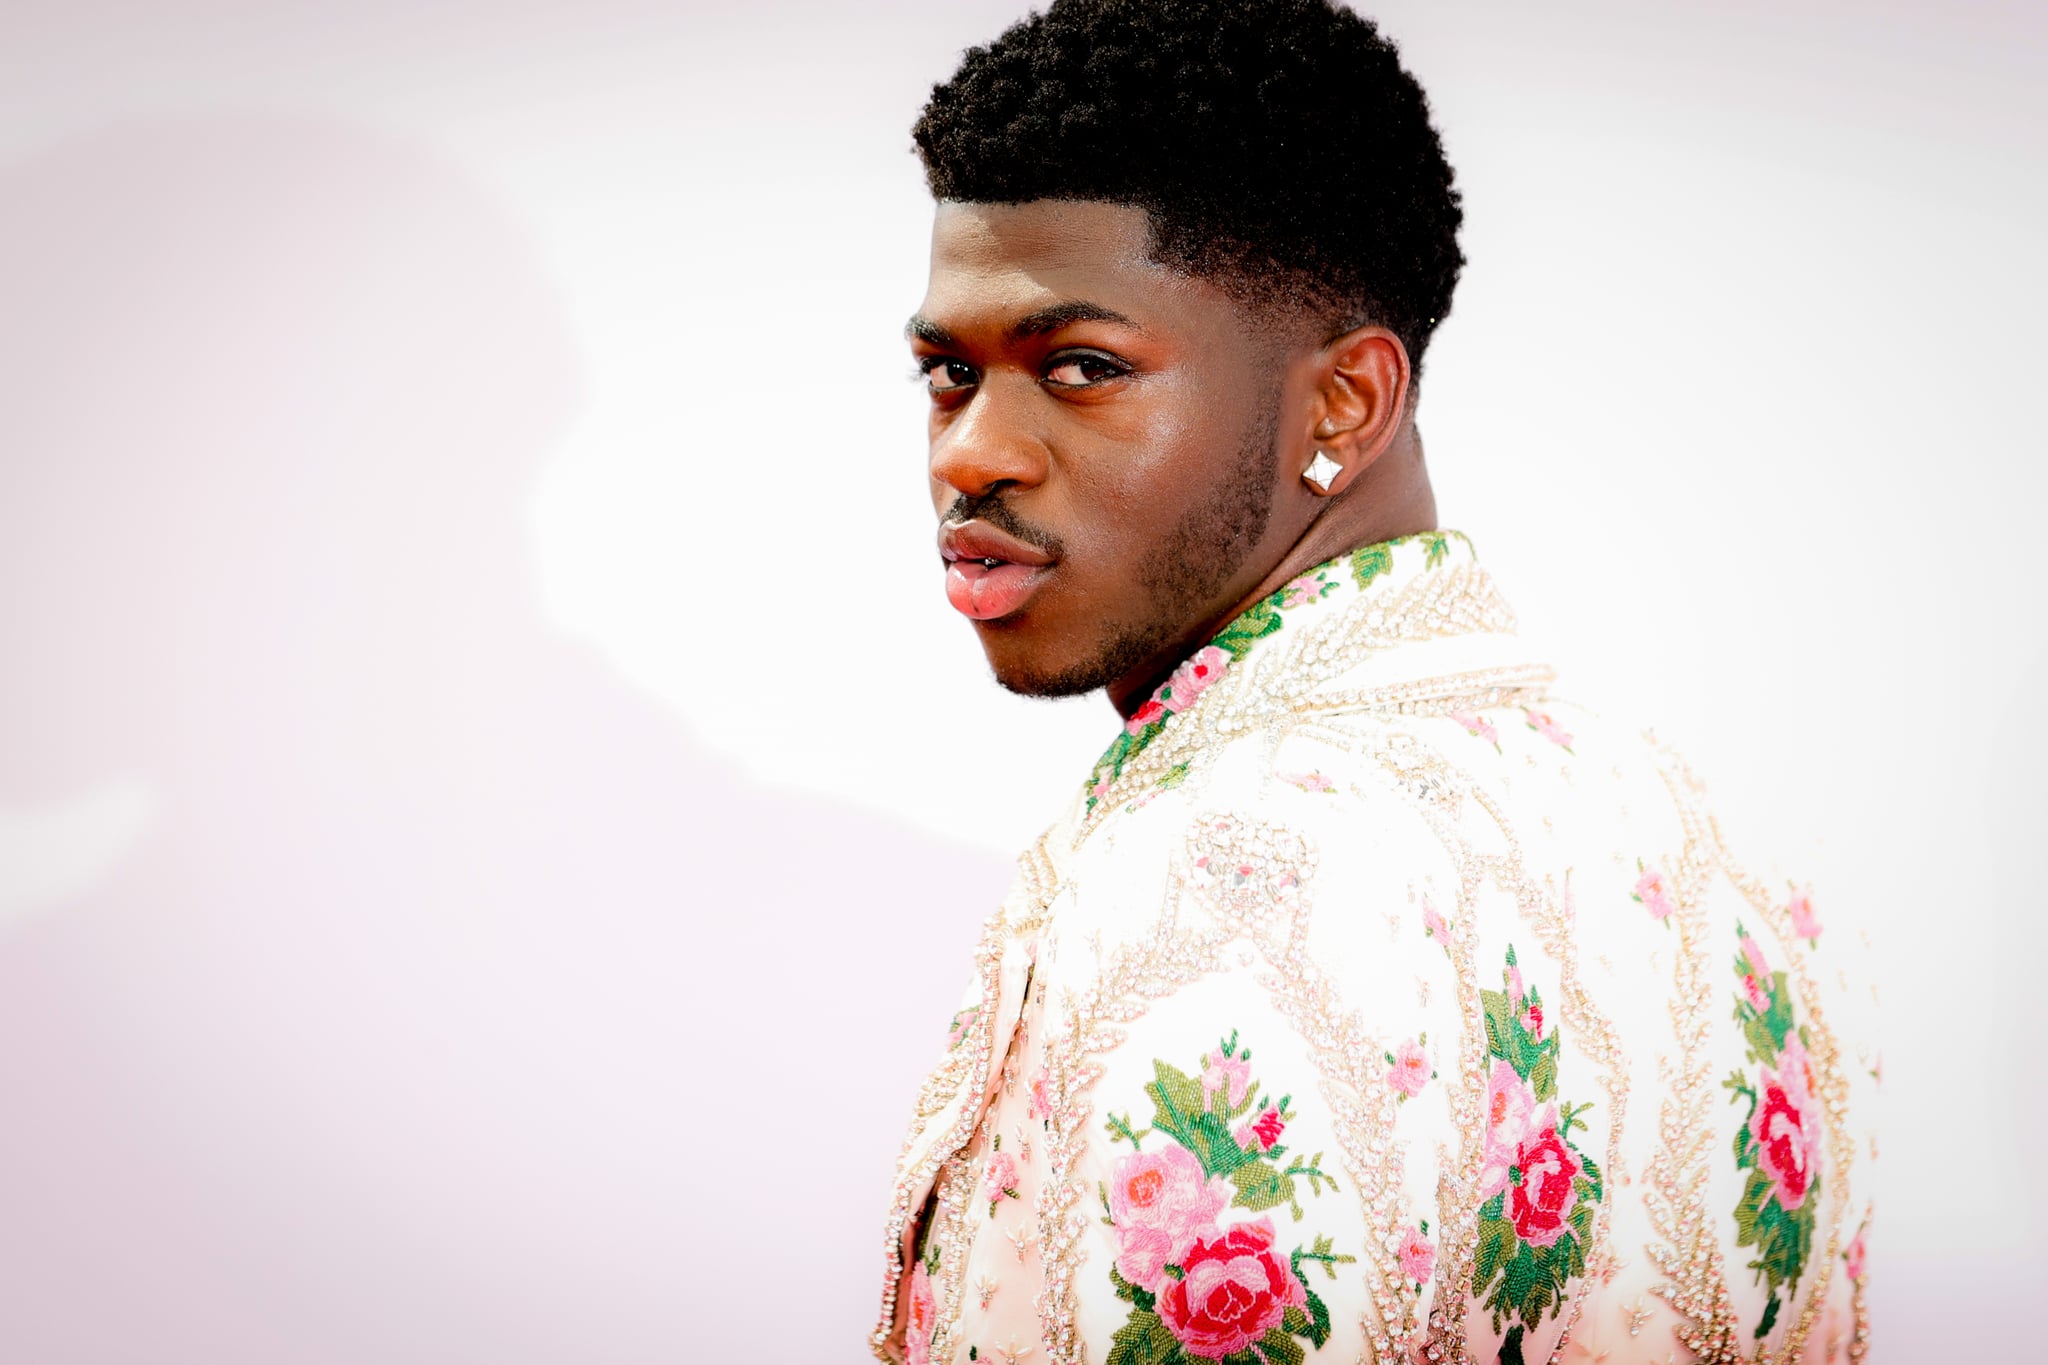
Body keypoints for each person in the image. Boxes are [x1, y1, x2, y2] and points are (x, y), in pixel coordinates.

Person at [872, 3, 1877, 1363]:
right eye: (948, 373)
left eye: (1081, 368)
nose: (971, 455)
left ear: (1344, 404)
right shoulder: (1703, 843)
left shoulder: (1203, 881)